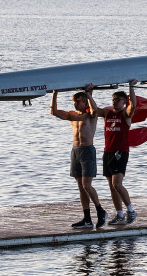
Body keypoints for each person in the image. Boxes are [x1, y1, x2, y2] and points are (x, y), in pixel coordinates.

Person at [49, 86, 107, 229]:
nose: (75, 104)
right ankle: (87, 219)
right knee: (81, 187)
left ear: (85, 102)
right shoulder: (72, 115)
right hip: (75, 151)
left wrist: (88, 93)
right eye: (74, 102)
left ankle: (101, 211)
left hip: (87, 150)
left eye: (78, 102)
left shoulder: (91, 115)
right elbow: (53, 112)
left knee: (87, 185)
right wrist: (55, 92)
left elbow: (95, 109)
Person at [93, 81, 137, 225]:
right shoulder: (107, 112)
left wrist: (131, 87)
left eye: (117, 100)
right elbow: (94, 110)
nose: (114, 102)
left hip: (121, 152)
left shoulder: (126, 114)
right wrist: (88, 93)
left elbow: (134, 106)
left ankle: (130, 210)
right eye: (113, 99)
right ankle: (119, 214)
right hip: (108, 152)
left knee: (117, 183)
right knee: (111, 186)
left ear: (124, 102)